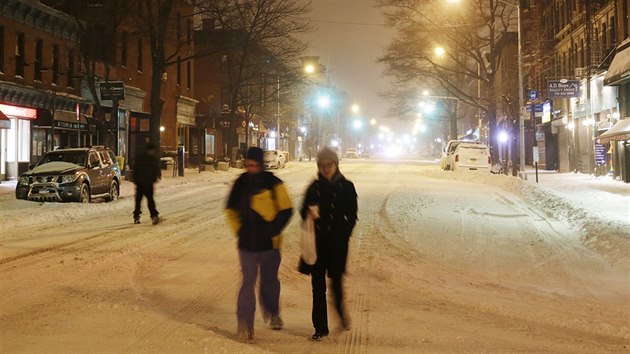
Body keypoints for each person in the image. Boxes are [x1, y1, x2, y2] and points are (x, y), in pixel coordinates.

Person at [225, 146, 293, 341]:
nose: (250, 168)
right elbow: (230, 210)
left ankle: (273, 313)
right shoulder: (240, 183)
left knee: (269, 281)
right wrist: (239, 230)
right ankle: (245, 323)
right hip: (247, 244)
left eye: (254, 165)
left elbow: (287, 209)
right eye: (247, 165)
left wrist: (273, 230)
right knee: (247, 282)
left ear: (261, 164)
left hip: (270, 244)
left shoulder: (273, 182)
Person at [300, 147, 358, 341]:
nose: (325, 169)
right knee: (317, 287)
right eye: (321, 165)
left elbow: (351, 216)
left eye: (329, 165)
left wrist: (343, 235)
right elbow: (302, 210)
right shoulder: (314, 187)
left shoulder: (347, 187)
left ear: (335, 164)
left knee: (336, 284)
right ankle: (320, 327)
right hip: (317, 244)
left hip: (337, 244)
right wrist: (308, 214)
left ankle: (342, 316)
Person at [132, 143, 161, 224]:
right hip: (147, 183)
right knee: (150, 201)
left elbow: (135, 169)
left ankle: (137, 216)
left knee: (139, 201)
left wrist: (135, 180)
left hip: (140, 183)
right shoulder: (152, 159)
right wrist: (155, 177)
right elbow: (155, 169)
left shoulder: (140, 158)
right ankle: (153, 215)